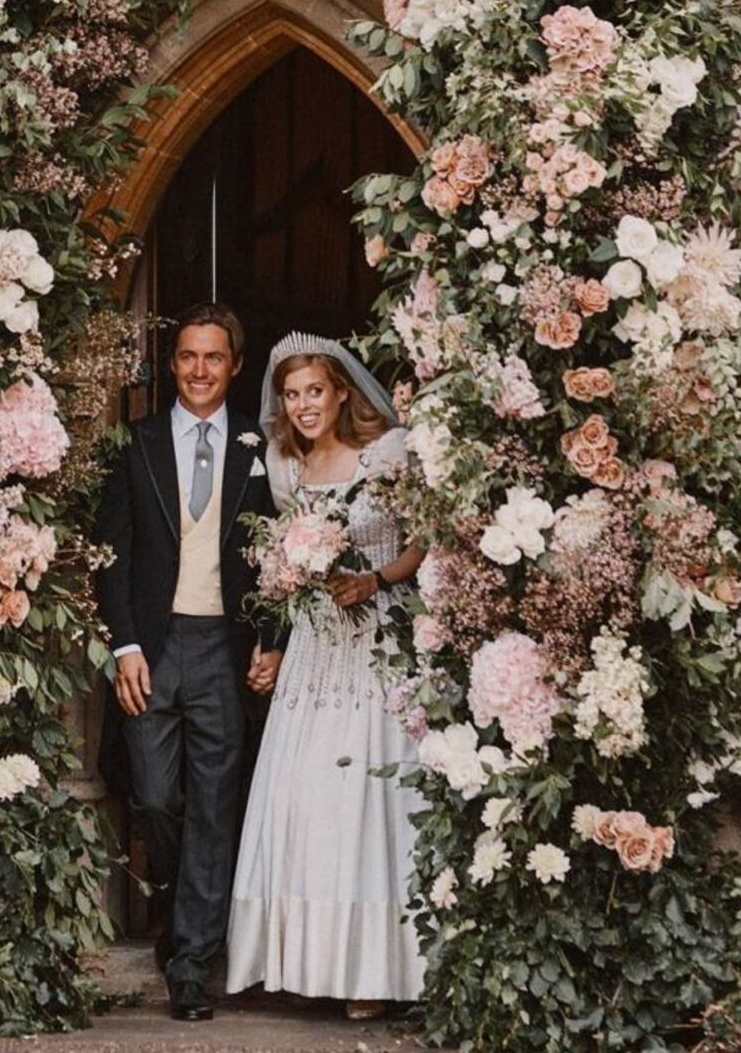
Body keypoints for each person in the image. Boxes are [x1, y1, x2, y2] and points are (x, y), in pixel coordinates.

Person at [225, 332, 427, 1017]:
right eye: (291, 394)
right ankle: (302, 960)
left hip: (377, 639)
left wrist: (374, 577)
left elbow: (423, 539)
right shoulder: (285, 465)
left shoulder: (388, 453)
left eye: (315, 390)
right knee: (307, 796)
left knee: (370, 801)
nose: (304, 405)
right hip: (315, 647)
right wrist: (274, 641)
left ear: (343, 391)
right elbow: (284, 572)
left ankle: (374, 971)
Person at [94, 302, 283, 1023]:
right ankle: (180, 914)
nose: (199, 370)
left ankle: (192, 963)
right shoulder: (135, 443)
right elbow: (111, 555)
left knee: (213, 805)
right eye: (187, 357)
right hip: (153, 642)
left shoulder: (257, 449)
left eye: (213, 357)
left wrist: (269, 637)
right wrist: (125, 644)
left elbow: (277, 559)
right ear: (171, 364)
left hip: (221, 650)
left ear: (235, 365)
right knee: (153, 796)